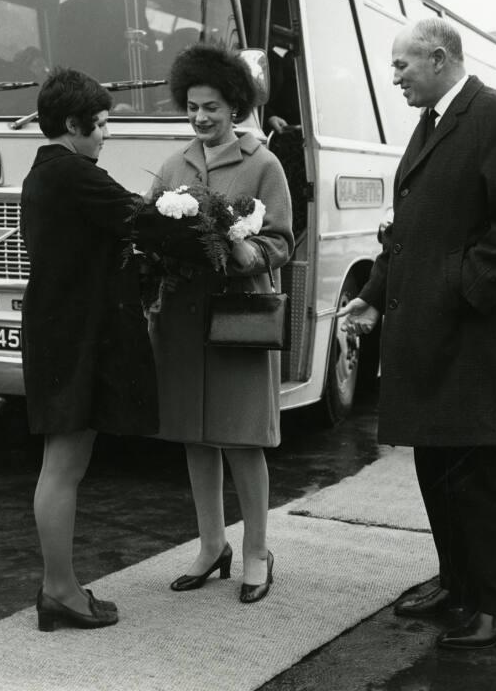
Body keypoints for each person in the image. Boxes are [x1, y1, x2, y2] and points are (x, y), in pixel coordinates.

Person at [338, 19, 496, 649]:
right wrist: (374, 295)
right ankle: (459, 586)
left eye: (401, 65)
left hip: (473, 342)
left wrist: (456, 289)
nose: (394, 77)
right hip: (434, 338)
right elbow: (409, 231)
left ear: (437, 58)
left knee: (475, 474)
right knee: (438, 467)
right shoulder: (433, 123)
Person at [147, 43, 293, 603]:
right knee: (195, 437)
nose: (201, 118)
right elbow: (151, 230)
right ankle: (212, 546)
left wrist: (244, 251)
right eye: (192, 108)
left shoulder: (264, 164)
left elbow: (281, 241)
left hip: (238, 319)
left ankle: (256, 551)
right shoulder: (173, 165)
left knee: (242, 439)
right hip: (184, 320)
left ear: (235, 105)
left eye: (211, 107)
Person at [21, 67, 159, 631]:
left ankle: (62, 585)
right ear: (74, 125)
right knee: (62, 466)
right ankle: (58, 589)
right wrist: (216, 226)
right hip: (71, 337)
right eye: (100, 124)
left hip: (57, 331)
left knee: (65, 463)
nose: (105, 135)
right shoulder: (74, 173)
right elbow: (143, 218)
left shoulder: (43, 172)